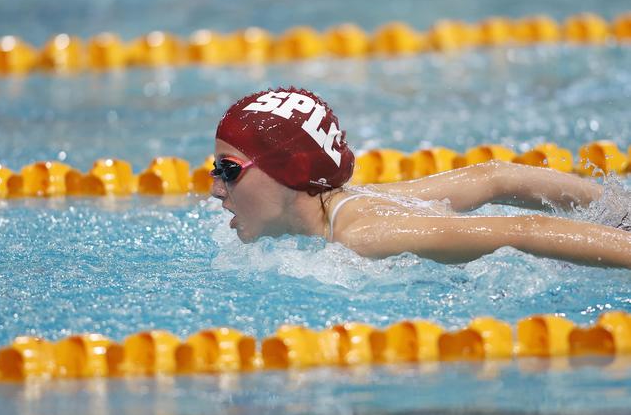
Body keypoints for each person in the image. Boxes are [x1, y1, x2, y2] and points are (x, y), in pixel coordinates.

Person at [210, 87, 631, 268]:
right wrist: (619, 209)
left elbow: (523, 230)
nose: (215, 189)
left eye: (229, 171)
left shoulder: (366, 237)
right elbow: (494, 176)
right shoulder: (352, 201)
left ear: (292, 172)